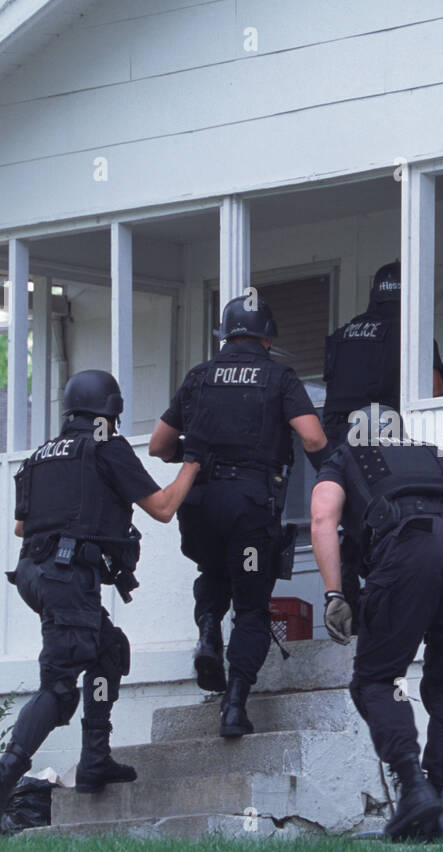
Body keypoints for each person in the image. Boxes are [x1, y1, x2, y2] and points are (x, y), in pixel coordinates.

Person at [0, 370, 197, 834]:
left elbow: (21, 527)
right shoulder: (105, 447)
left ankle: (95, 759)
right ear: (110, 411)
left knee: (107, 648)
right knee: (58, 686)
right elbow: (163, 508)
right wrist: (194, 462)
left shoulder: (41, 455)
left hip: (36, 573)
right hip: (67, 578)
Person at [310, 404, 443, 841]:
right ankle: (440, 805)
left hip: (411, 548)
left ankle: (414, 790)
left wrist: (335, 593)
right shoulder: (438, 457)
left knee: (375, 680)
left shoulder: (346, 456)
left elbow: (321, 518)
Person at [149, 294, 328, 736]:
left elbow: (157, 445)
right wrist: (334, 476)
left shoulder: (199, 377)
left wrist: (189, 457)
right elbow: (312, 437)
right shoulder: (278, 376)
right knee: (251, 607)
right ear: (267, 337)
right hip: (250, 508)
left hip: (200, 507)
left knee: (213, 569)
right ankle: (234, 705)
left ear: (226, 335)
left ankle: (208, 630)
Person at [321, 261, 443, 617]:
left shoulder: (342, 334)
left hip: (341, 441)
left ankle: (347, 580)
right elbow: (434, 392)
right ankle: (379, 602)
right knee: (390, 518)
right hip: (386, 439)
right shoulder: (413, 333)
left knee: (349, 513)